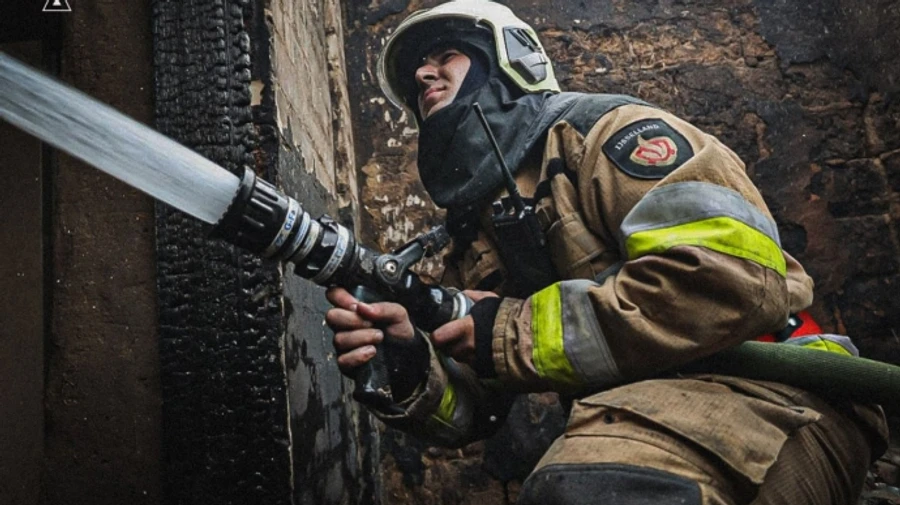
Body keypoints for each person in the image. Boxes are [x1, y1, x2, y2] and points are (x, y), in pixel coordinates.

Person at [325, 1, 889, 503]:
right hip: (636, 418)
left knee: (595, 489)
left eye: (445, 55)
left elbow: (732, 282)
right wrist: (410, 361)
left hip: (780, 392)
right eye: (418, 71)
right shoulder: (477, 226)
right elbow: (479, 406)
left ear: (509, 59)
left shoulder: (608, 134)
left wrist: (504, 327)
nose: (424, 72)